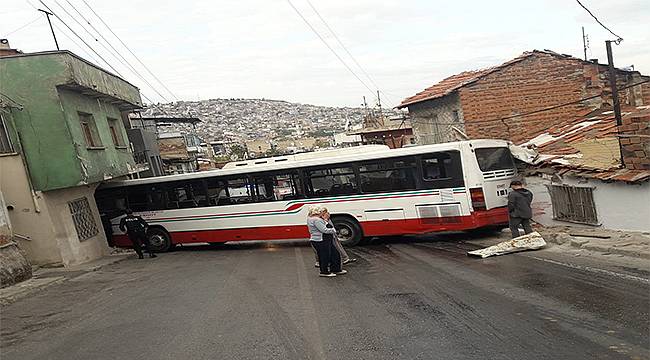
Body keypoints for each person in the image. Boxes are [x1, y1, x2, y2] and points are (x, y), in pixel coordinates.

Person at [307, 206, 346, 277]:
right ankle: (324, 272)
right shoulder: (317, 220)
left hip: (321, 240)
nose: (322, 213)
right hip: (321, 240)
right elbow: (324, 230)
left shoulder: (311, 218)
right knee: (325, 256)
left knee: (334, 254)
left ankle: (335, 269)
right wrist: (333, 229)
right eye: (321, 211)